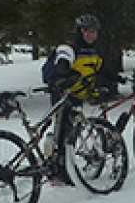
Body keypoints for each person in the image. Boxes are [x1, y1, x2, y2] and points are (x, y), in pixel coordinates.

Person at [43, 13, 119, 183]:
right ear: (80, 31)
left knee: (73, 131)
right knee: (63, 130)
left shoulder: (94, 51)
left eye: (94, 31)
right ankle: (58, 171)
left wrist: (115, 78)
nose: (91, 35)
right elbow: (63, 61)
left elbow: (100, 70)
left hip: (79, 94)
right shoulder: (69, 48)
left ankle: (63, 164)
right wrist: (63, 73)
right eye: (87, 31)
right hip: (63, 93)